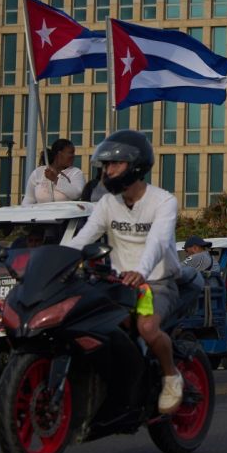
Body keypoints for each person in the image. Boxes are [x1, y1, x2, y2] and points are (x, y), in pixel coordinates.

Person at [64, 130, 184, 415]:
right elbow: (83, 238)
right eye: (105, 165)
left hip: (157, 280)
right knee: (89, 324)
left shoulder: (163, 201)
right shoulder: (108, 203)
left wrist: (141, 271)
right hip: (118, 283)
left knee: (147, 328)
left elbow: (157, 241)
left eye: (115, 164)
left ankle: (171, 376)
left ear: (136, 165)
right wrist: (58, 261)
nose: (108, 171)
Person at [22, 138, 86, 205]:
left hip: (66, 211)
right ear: (59, 154)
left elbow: (77, 194)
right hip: (42, 211)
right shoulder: (38, 172)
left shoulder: (76, 173)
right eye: (71, 153)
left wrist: (56, 179)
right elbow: (29, 198)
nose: (73, 156)